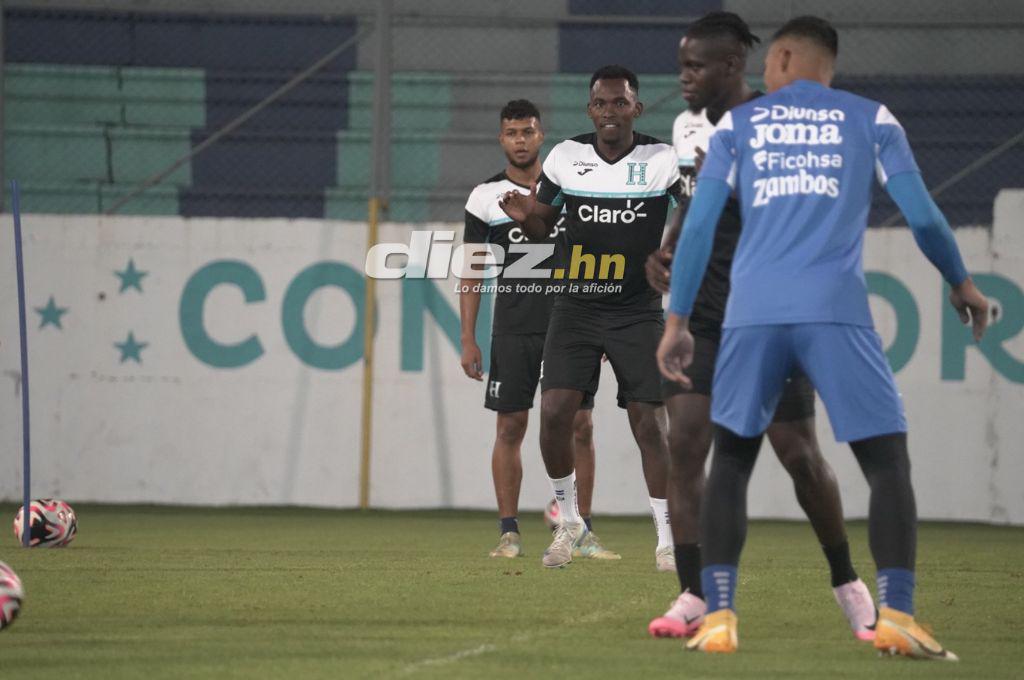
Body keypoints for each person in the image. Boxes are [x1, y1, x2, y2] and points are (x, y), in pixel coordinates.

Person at [657, 16, 989, 659]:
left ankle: (720, 617)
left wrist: (676, 321)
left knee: (729, 460)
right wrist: (961, 283)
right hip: (834, 310)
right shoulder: (874, 119)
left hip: (750, 315)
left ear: (779, 57)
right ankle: (896, 615)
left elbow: (697, 229)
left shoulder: (736, 128)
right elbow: (922, 214)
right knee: (886, 462)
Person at [645, 11, 874, 642]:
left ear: (730, 67)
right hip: (704, 316)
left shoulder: (775, 125)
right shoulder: (688, 126)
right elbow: (693, 203)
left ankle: (848, 583)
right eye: (681, 64)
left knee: (799, 453)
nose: (684, 77)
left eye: (695, 66)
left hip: (767, 311)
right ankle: (693, 594)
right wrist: (665, 252)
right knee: (686, 444)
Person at [499, 66, 676, 570]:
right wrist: (526, 217)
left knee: (650, 423)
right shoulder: (565, 156)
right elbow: (543, 226)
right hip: (575, 304)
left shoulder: (660, 159)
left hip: (637, 310)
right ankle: (570, 521)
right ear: (590, 110)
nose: (610, 112)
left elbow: (694, 208)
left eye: (620, 103)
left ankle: (667, 536)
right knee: (554, 413)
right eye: (601, 103)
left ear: (636, 109)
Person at [461, 99, 619, 561]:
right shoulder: (483, 197)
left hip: (572, 323)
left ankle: (581, 530)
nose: (520, 140)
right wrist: (468, 337)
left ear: (541, 135)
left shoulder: (572, 188)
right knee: (510, 425)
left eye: (528, 131)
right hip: (513, 327)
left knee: (581, 424)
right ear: (501, 139)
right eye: (512, 132)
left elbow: (603, 254)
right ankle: (508, 533)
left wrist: (606, 318)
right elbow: (471, 271)